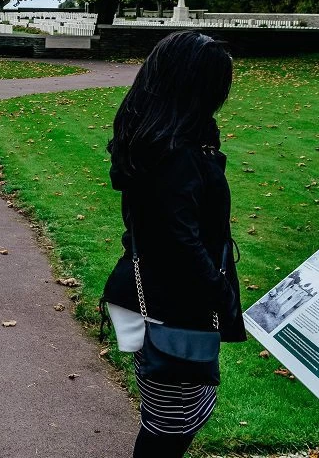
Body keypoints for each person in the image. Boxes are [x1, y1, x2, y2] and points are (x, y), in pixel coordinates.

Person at [102, 30, 246, 458]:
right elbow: (179, 244)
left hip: (143, 291)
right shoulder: (176, 155)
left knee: (166, 406)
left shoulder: (152, 141)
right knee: (175, 420)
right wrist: (221, 296)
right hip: (172, 303)